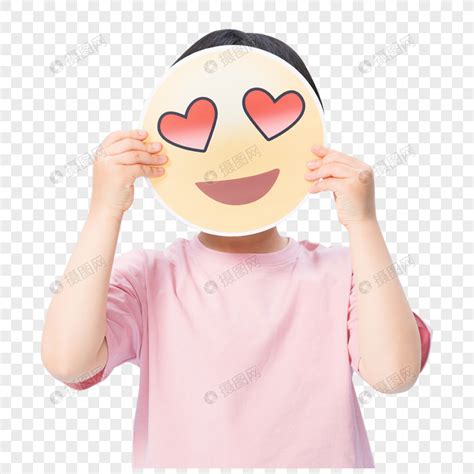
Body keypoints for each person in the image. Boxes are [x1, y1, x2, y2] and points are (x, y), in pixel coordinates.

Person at [41, 29, 431, 468]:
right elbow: (68, 361)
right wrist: (104, 211)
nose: (233, 149)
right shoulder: (149, 278)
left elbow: (393, 374)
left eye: (269, 125)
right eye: (201, 127)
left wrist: (364, 224)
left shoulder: (345, 273)